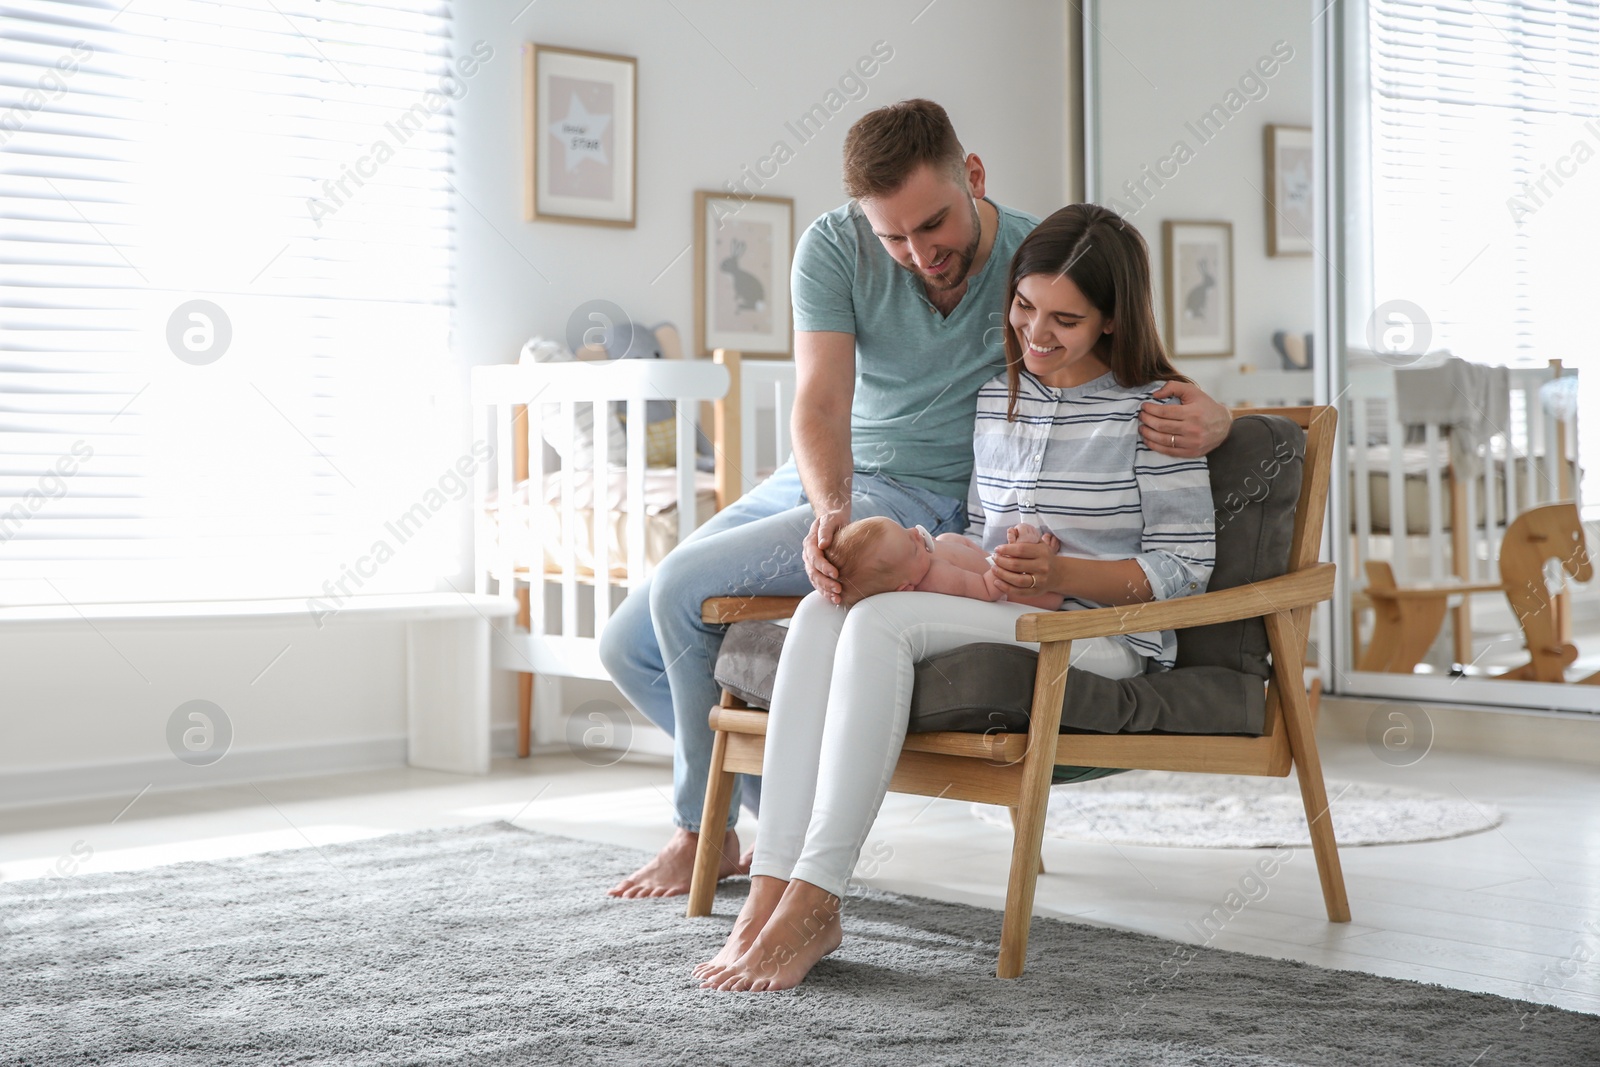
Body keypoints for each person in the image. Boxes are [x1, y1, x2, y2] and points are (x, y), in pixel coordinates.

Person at [597, 100, 1233, 899]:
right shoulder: (834, 245)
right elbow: (821, 405)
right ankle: (779, 820)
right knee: (625, 642)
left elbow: (1120, 351)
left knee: (685, 588)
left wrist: (1221, 411)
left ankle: (707, 831)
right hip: (837, 478)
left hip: (931, 503)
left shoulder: (1033, 260)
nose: (918, 253)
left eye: (933, 227)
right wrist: (831, 506)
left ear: (973, 176)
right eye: (894, 236)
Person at [694, 202, 1218, 991]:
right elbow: (984, 533)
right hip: (1016, 616)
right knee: (820, 607)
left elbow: (1184, 569)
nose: (1036, 334)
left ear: (1112, 321)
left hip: (1102, 637)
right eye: (1024, 307)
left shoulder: (1157, 414)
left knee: (880, 624)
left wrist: (1063, 575)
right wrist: (943, 557)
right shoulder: (994, 402)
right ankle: (772, 883)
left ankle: (817, 896)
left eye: (1065, 319)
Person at [828, 516, 1064, 609]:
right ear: (906, 587)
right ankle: (1042, 556)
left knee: (947, 538)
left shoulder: (923, 559)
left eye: (904, 530)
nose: (914, 533)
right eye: (912, 547)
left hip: (994, 567)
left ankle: (1040, 557)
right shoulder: (937, 578)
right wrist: (1016, 554)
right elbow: (987, 589)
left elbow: (979, 558)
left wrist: (960, 546)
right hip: (1034, 596)